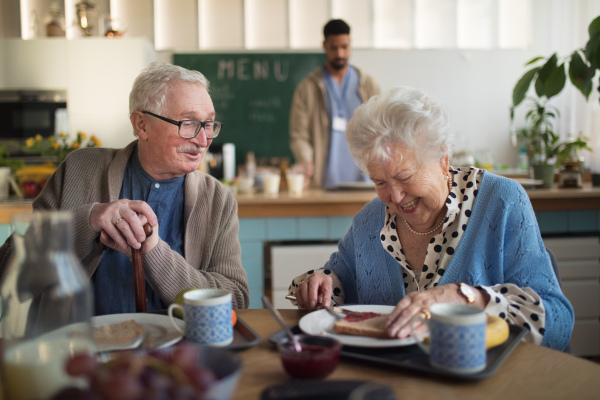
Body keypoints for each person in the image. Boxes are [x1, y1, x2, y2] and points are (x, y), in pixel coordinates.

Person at [288, 87, 574, 351]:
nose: (395, 196)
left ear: (443, 160)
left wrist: (468, 298)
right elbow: (338, 282)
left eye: (404, 177)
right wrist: (321, 284)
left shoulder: (502, 201)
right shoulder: (370, 220)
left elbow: (558, 324)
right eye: (380, 182)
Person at [0, 62, 249, 314]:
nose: (203, 140)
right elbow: (8, 271)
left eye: (209, 124)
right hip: (79, 347)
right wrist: (87, 221)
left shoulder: (218, 199)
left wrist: (153, 253)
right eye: (188, 123)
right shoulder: (79, 169)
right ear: (141, 125)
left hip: (180, 350)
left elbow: (237, 301)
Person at [289, 19, 381, 189]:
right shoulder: (307, 88)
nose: (340, 54)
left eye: (344, 47)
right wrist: (306, 160)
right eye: (334, 48)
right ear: (324, 46)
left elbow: (382, 131)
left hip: (365, 182)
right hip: (323, 183)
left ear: (350, 44)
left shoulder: (368, 85)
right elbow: (299, 135)